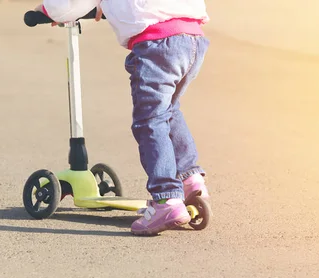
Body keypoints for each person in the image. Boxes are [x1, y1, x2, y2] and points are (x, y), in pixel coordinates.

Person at [35, 0, 211, 235]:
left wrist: (49, 10)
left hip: (157, 43)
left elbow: (72, 3)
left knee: (149, 121)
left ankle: (166, 200)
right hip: (192, 38)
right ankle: (190, 179)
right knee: (168, 110)